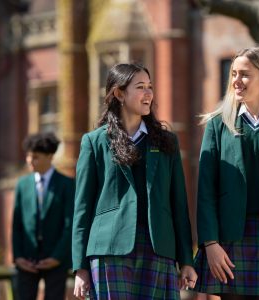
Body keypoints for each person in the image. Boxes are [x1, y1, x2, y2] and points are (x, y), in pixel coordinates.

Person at [72, 62, 197, 299]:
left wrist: (186, 260)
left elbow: (178, 205)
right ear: (119, 93)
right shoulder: (94, 142)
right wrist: (81, 267)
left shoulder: (167, 142)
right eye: (140, 87)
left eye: (150, 86)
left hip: (159, 247)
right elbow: (82, 208)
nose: (148, 93)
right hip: (109, 249)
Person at [194, 44, 259, 300]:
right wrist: (210, 243)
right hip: (228, 243)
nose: (236, 81)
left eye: (244, 74)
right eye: (233, 73)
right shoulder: (218, 126)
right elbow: (206, 191)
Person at [12, 132, 75, 300]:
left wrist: (57, 257)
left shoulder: (67, 185)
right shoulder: (22, 185)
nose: (30, 161)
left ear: (50, 156)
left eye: (35, 157)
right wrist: (18, 257)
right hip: (26, 261)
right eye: (28, 156)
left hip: (56, 262)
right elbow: (16, 224)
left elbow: (70, 225)